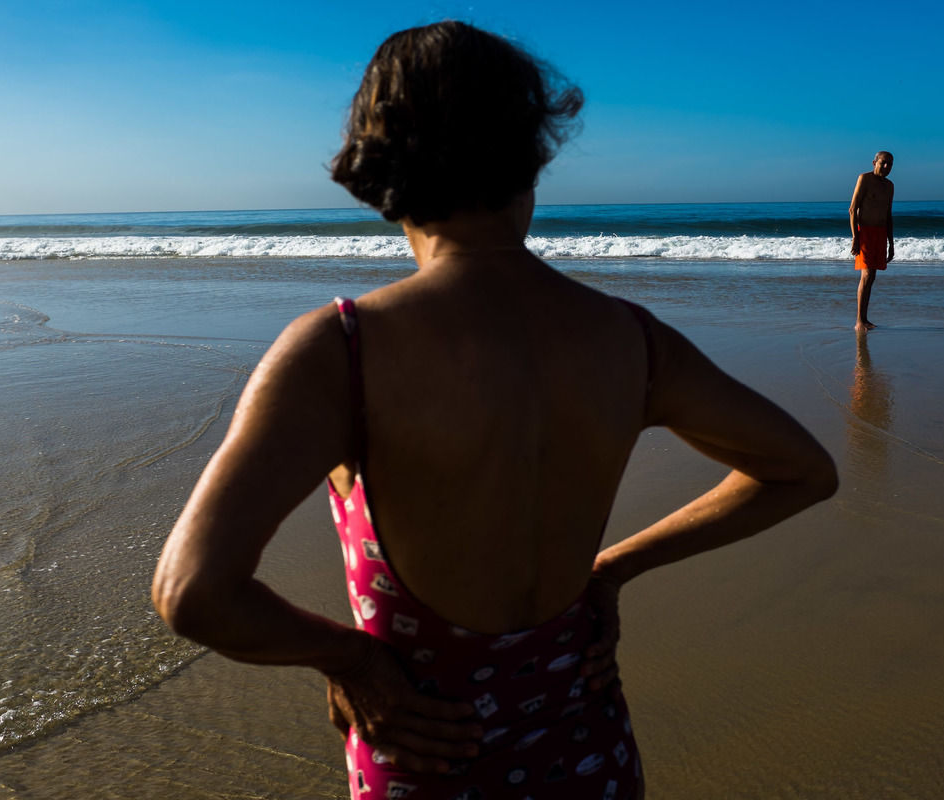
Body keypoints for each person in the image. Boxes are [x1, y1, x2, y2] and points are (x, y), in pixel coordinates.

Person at [152, 21, 838, 800]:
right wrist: (611, 569)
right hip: (589, 751)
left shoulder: (344, 352)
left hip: (427, 756)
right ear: (533, 150)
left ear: (376, 155)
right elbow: (801, 471)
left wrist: (352, 660)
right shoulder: (632, 342)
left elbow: (193, 591)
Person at [849, 151, 895, 332]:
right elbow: (853, 209)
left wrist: (891, 243)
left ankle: (865, 319)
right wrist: (855, 237)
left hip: (880, 233)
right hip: (865, 232)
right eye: (883, 163)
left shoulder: (890, 186)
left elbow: (888, 215)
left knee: (872, 277)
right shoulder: (864, 179)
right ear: (874, 162)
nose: (886, 167)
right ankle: (859, 321)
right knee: (866, 276)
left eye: (890, 164)